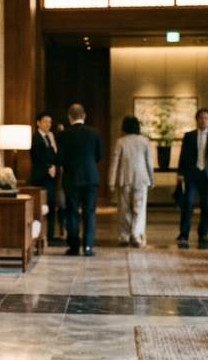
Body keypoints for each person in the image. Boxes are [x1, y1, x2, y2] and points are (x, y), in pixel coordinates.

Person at [176, 108, 208, 248]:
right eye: (201, 118)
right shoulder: (189, 136)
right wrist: (180, 172)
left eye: (206, 118)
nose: (203, 120)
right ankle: (184, 232)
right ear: (196, 120)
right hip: (192, 174)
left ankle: (203, 234)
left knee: (207, 207)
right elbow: (183, 155)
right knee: (188, 204)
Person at [57, 103, 102, 257]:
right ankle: (88, 247)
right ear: (84, 116)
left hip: (71, 178)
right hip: (90, 178)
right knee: (89, 213)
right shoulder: (94, 133)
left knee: (72, 213)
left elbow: (60, 158)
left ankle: (74, 247)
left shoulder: (64, 135)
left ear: (69, 117)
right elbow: (99, 155)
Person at [110, 115, 156, 248]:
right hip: (141, 179)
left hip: (125, 179)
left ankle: (124, 235)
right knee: (139, 209)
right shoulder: (144, 141)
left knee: (124, 208)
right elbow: (149, 163)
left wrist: (111, 181)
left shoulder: (120, 142)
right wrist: (152, 179)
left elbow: (115, 163)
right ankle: (136, 234)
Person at [29, 112, 61, 239]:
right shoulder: (36, 138)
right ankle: (41, 234)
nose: (48, 124)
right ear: (38, 123)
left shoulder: (49, 137)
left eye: (50, 122)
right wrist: (48, 167)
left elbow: (53, 155)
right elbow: (37, 157)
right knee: (42, 206)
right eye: (45, 122)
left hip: (50, 176)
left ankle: (51, 233)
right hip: (40, 176)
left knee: (51, 204)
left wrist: (53, 166)